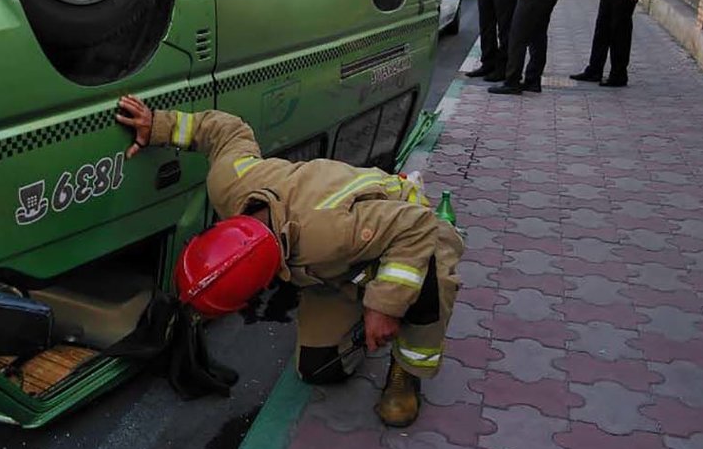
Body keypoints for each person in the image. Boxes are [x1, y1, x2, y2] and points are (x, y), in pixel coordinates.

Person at [114, 95, 465, 428]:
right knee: (320, 369)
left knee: (425, 274)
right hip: (334, 266)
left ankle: (406, 373)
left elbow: (416, 226)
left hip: (405, 225)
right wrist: (157, 125)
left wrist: (385, 306)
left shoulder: (328, 233)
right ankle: (361, 298)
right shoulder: (231, 185)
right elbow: (225, 130)